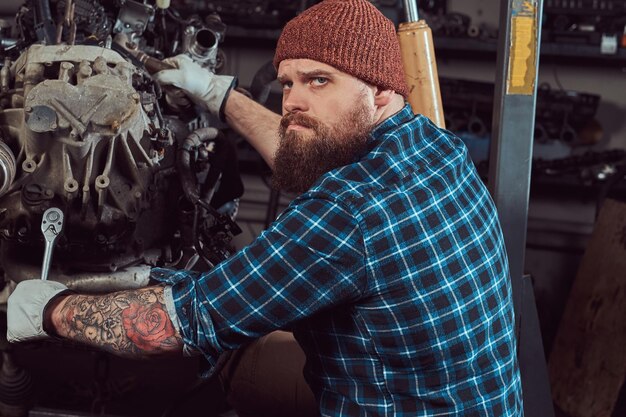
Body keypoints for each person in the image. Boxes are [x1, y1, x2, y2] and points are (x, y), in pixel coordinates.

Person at [7, 0, 523, 416]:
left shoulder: (347, 214)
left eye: (319, 80)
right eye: (289, 82)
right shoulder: (433, 148)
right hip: (474, 401)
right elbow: (310, 145)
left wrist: (47, 309)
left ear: (382, 90)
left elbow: (179, 326)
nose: (294, 100)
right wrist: (217, 92)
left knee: (227, 360)